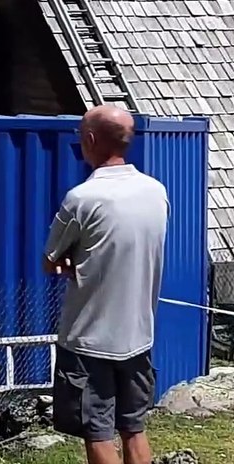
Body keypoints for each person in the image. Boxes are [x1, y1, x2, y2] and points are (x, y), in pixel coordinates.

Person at [44, 105, 167, 464]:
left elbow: (49, 261)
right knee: (134, 428)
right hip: (139, 336)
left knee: (97, 433)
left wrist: (69, 262)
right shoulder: (155, 191)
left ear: (91, 140)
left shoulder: (82, 199)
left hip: (89, 340)